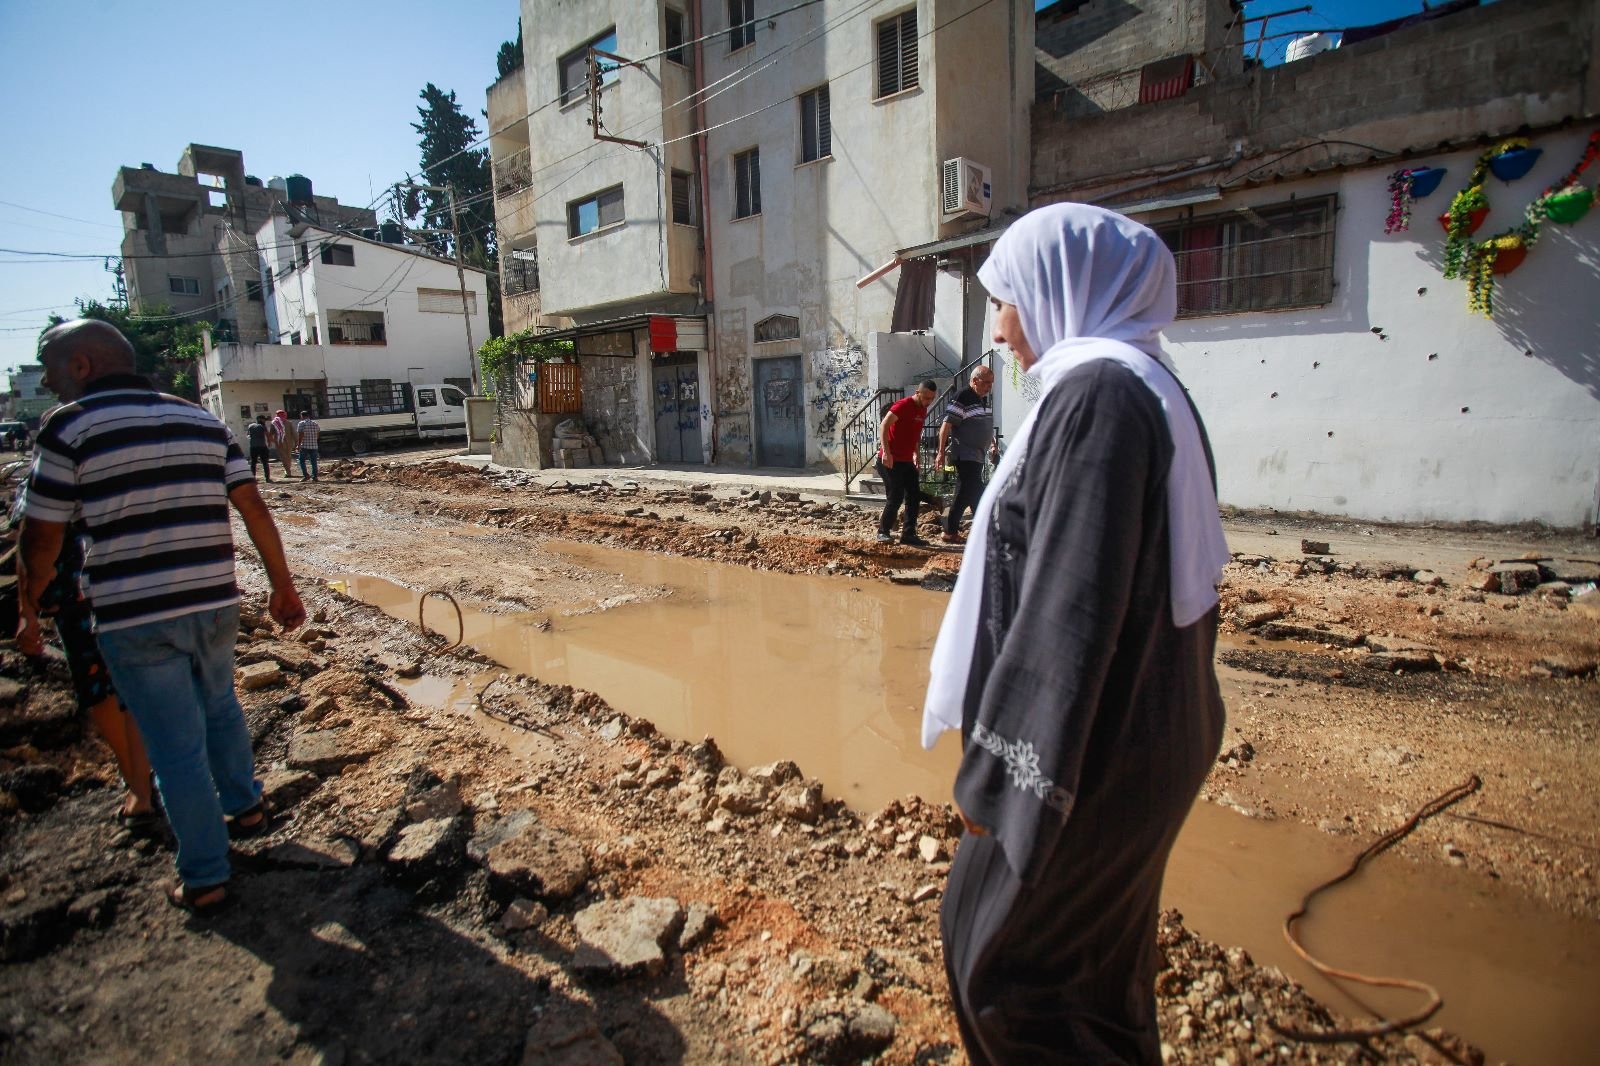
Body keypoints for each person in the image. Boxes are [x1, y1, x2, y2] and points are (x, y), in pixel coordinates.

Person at [921, 204, 1231, 1065]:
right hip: (1139, 730)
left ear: (1064, 288)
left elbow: (1071, 606)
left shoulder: (1099, 398)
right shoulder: (1138, 383)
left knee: (1008, 975)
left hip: (1097, 748)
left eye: (1007, 299)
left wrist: (1003, 790)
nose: (1000, 329)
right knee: (1085, 982)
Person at [16, 319, 307, 915]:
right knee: (220, 703)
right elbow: (252, 507)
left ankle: (204, 873)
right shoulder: (201, 420)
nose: (44, 380)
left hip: (134, 612)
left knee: (174, 745)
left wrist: (27, 606)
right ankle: (245, 804)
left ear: (82, 366)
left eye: (49, 366)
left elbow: (41, 538)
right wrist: (282, 585)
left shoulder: (68, 427)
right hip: (215, 600)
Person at [933, 364, 998, 544]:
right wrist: (940, 452)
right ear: (975, 380)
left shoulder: (982, 399)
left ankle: (952, 530)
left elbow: (985, 426)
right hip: (965, 454)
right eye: (986, 383)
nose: (989, 387)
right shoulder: (962, 396)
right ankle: (982, 532)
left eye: (991, 383)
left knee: (965, 493)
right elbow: (946, 425)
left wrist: (992, 444)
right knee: (975, 491)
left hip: (977, 455)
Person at [874, 379, 938, 548]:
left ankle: (908, 534)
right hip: (891, 459)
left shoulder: (922, 410)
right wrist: (886, 452)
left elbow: (915, 434)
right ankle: (883, 531)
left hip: (906, 459)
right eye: (926, 398)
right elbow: (884, 426)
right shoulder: (902, 405)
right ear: (917, 393)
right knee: (896, 496)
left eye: (931, 399)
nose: (928, 402)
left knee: (914, 495)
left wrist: (916, 454)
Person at [246, 414, 273, 482]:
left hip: (253, 446)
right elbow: (267, 435)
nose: (265, 421)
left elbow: (248, 436)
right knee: (265, 462)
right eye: (264, 419)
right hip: (262, 446)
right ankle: (267, 478)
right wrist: (269, 443)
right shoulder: (262, 426)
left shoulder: (250, 426)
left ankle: (253, 478)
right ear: (260, 419)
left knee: (253, 463)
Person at [294, 410, 320, 481]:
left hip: (305, 445)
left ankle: (306, 475)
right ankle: (315, 476)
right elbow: (317, 435)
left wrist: (298, 445)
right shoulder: (315, 423)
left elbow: (301, 435)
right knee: (313, 461)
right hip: (314, 445)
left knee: (301, 460)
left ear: (302, 416)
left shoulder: (301, 423)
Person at [270, 408, 296, 478]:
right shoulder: (287, 423)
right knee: (287, 457)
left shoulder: (275, 423)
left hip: (281, 443)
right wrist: (296, 442)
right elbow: (294, 434)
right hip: (287, 443)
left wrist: (272, 441)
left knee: (285, 457)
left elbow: (271, 433)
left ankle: (288, 471)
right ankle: (288, 470)